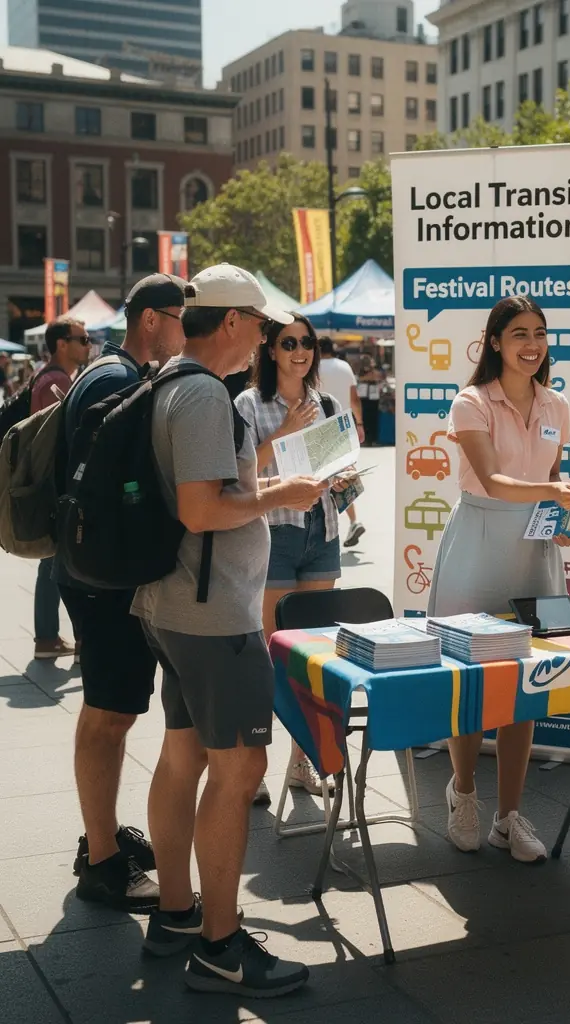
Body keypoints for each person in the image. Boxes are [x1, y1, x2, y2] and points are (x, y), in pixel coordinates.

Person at [133, 264, 325, 994]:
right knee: (239, 769)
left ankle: (178, 913)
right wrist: (268, 498)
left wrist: (282, 489)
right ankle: (220, 944)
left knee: (182, 760)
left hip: (174, 606)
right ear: (238, 323)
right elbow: (202, 511)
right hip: (215, 617)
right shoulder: (209, 397)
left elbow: (214, 494)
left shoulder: (169, 382)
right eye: (261, 325)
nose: (265, 340)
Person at [428, 296, 570, 864]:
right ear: (494, 341)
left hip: (535, 549)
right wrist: (553, 492)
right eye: (519, 332)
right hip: (477, 543)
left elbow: (550, 475)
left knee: (529, 682)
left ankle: (508, 816)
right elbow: (494, 481)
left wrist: (564, 521)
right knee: (471, 680)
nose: (532, 344)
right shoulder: (470, 401)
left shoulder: (558, 404)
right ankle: (464, 793)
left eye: (540, 332)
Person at [59, 275, 188, 910]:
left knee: (110, 711)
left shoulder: (107, 370)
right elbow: (118, 487)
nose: (187, 331)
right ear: (150, 321)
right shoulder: (117, 381)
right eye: (180, 319)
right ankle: (103, 863)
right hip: (102, 575)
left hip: (90, 569)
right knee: (109, 715)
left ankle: (100, 838)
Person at [235, 312, 346, 804]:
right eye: (289, 343)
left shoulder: (327, 402)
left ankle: (302, 764)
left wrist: (343, 478)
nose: (300, 351)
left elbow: (339, 470)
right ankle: (250, 765)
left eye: (307, 343)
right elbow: (240, 475)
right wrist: (281, 432)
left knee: (313, 654)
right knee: (269, 655)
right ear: (271, 351)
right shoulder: (247, 404)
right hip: (274, 535)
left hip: (321, 532)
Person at [31, 316, 91, 660]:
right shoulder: (55, 382)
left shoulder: (51, 377)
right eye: (81, 339)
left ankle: (49, 636)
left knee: (53, 560)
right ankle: (54, 637)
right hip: (55, 484)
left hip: (49, 483)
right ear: (61, 344)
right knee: (57, 561)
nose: (87, 345)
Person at [318, 339, 366, 548]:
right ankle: (354, 521)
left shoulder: (312, 367)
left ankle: (346, 523)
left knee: (324, 479)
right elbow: (354, 399)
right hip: (343, 426)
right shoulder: (344, 367)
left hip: (317, 427)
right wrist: (360, 424)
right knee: (342, 475)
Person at [357, 354, 385, 445]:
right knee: (364, 418)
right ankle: (365, 439)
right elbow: (359, 379)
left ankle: (372, 438)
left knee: (372, 419)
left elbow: (379, 377)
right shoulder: (359, 372)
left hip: (373, 398)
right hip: (363, 398)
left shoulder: (375, 372)